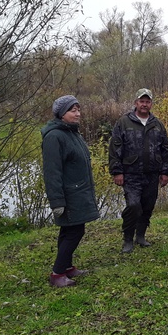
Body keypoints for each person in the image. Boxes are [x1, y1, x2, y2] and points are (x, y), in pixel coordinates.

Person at [42, 95, 99, 288]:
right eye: (72, 110)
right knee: (75, 231)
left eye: (78, 109)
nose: (77, 114)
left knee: (68, 230)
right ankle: (57, 274)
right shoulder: (54, 137)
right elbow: (52, 172)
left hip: (78, 192)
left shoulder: (72, 133)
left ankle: (66, 267)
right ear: (61, 114)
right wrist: (57, 201)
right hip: (69, 194)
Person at [109, 88, 168, 254]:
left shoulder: (157, 124)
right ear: (136, 103)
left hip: (152, 174)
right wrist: (117, 171)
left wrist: (165, 172)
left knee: (147, 206)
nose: (144, 104)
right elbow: (115, 148)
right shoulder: (123, 122)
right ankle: (128, 238)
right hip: (131, 174)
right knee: (133, 205)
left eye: (147, 101)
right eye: (141, 101)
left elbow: (165, 150)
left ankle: (141, 236)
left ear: (151, 103)